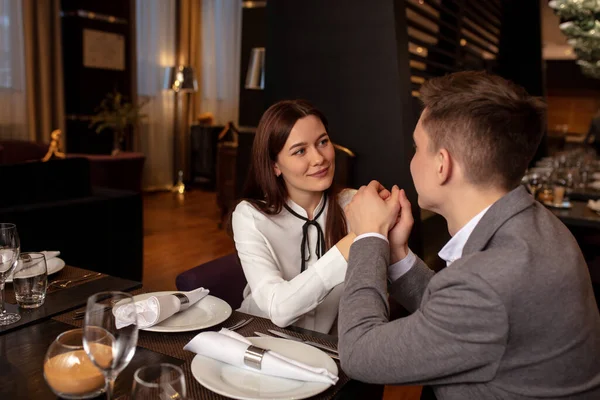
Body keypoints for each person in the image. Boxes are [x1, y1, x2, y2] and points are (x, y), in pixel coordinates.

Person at [339, 71, 600, 399]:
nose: (411, 159)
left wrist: (368, 237)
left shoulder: (489, 281)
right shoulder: (538, 224)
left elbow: (358, 354)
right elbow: (457, 316)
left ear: (442, 164)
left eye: (417, 146)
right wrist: (397, 253)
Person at [231, 99, 355, 334]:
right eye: (300, 151)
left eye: (323, 142)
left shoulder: (355, 205)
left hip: (325, 352)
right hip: (258, 340)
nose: (319, 158)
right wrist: (350, 244)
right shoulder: (250, 216)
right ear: (275, 165)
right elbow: (279, 308)